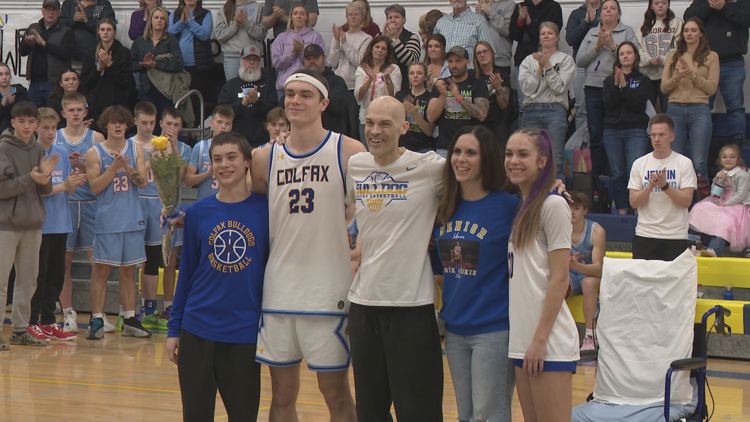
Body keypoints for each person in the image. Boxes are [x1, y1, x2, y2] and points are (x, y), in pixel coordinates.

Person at [251, 69, 364, 421]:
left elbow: (367, 215)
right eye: (290, 94)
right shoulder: (263, 158)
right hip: (279, 289)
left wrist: (358, 252)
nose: (295, 100)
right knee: (282, 395)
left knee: (336, 393)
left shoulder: (348, 151)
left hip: (328, 290)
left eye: (305, 94)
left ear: (324, 103)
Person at [347, 95, 445, 421]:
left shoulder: (429, 166)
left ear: (404, 128)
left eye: (385, 124)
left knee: (418, 412)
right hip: (363, 304)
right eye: (370, 123)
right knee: (370, 412)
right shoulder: (356, 165)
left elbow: (479, 178)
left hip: (411, 306)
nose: (375, 131)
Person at [166, 132, 268, 421]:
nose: (224, 165)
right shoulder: (198, 212)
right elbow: (187, 274)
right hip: (197, 329)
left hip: (244, 333)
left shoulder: (266, 210)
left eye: (231, 157)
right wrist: (174, 330)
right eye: (217, 159)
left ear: (247, 162)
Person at [434, 124, 519, 422]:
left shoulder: (508, 206)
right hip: (455, 328)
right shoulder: (446, 204)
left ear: (487, 159)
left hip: (493, 328)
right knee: (466, 415)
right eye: (457, 151)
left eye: (471, 153)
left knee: (488, 414)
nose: (461, 159)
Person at [505, 128, 578, 422]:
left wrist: (539, 340)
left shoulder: (554, 204)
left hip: (547, 342)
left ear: (542, 161)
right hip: (522, 339)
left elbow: (560, 278)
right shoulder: (522, 207)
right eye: (509, 153)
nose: (513, 160)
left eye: (523, 154)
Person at [83, 105, 150, 340]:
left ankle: (129, 318)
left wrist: (128, 168)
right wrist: (113, 168)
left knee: (129, 271)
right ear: (106, 125)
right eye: (114, 122)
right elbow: (95, 187)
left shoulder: (136, 147)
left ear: (127, 125)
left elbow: (143, 182)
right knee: (100, 270)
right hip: (107, 221)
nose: (118, 126)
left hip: (132, 218)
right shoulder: (94, 152)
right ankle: (97, 318)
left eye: (122, 122)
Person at [0, 101, 55, 349]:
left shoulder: (38, 149)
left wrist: (45, 176)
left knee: (28, 280)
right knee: (1, 282)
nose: (26, 126)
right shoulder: (3, 148)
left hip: (33, 223)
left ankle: (20, 330)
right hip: (6, 224)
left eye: (31, 122)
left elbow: (45, 190)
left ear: (36, 124)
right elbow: (3, 189)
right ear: (13, 122)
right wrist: (29, 178)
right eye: (22, 121)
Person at [29, 107, 85, 341]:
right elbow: (36, 190)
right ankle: (32, 321)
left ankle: (48, 320)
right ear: (36, 128)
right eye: (46, 128)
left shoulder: (61, 152)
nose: (51, 132)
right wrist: (64, 186)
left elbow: (66, 189)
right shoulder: (32, 153)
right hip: (40, 223)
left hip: (61, 221)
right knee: (39, 276)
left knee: (56, 275)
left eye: (53, 128)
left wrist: (72, 184)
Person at [56, 92, 106, 333]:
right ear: (63, 113)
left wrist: (83, 165)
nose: (76, 114)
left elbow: (104, 173)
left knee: (97, 263)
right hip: (64, 205)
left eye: (79, 109)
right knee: (63, 263)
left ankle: (98, 314)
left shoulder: (96, 137)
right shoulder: (55, 138)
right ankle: (68, 313)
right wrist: (68, 165)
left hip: (91, 205)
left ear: (86, 112)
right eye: (71, 110)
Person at [576, 0, 637, 178]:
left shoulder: (627, 32)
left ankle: (616, 177)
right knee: (596, 135)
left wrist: (612, 46)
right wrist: (597, 47)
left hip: (618, 88)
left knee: (615, 134)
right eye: (605, 9)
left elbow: (635, 59)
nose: (608, 11)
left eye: (613, 8)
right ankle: (598, 180)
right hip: (593, 88)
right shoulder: (591, 32)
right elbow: (579, 61)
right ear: (600, 13)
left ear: (619, 14)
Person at [628, 114, 696, 260]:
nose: (657, 139)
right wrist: (650, 186)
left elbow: (686, 201)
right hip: (645, 233)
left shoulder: (684, 163)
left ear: (672, 136)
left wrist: (664, 185)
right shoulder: (639, 164)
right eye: (653, 135)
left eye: (661, 134)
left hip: (675, 235)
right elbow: (633, 202)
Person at [661, 17, 719, 183]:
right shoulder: (673, 55)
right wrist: (678, 77)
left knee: (699, 162)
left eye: (693, 30)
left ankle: (702, 199)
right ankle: (676, 197)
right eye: (686, 30)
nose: (689, 33)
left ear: (701, 34)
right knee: (674, 161)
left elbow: (711, 88)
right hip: (675, 109)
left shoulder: (712, 56)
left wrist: (693, 76)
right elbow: (664, 88)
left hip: (699, 110)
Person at [685, 0, 750, 143]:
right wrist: (709, 5)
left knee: (736, 107)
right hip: (705, 62)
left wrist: (725, 7)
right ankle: (701, 143)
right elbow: (688, 17)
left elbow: (747, 18)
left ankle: (737, 148)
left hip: (733, 61)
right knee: (702, 106)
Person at [603, 41, 654, 214]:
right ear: (618, 58)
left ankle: (637, 209)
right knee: (617, 173)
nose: (625, 56)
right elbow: (608, 105)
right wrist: (616, 86)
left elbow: (638, 106)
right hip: (612, 131)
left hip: (636, 130)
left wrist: (624, 87)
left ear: (635, 56)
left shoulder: (643, 80)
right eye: (622, 53)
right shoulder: (609, 81)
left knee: (635, 170)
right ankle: (622, 211)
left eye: (629, 53)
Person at [519, 22, 575, 180]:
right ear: (539, 37)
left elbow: (559, 88)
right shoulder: (529, 60)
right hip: (531, 110)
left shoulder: (566, 59)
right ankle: (531, 194)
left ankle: (556, 193)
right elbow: (528, 90)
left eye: (550, 33)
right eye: (543, 33)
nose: (546, 36)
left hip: (555, 111)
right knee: (530, 157)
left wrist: (548, 67)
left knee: (555, 158)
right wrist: (539, 68)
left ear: (557, 37)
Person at [155, 107, 193, 325]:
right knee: (147, 260)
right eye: (169, 124)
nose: (172, 128)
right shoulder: (149, 145)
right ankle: (147, 307)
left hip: (173, 208)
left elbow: (182, 177)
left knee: (170, 260)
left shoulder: (186, 149)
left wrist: (175, 148)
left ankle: (169, 306)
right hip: (150, 205)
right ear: (161, 123)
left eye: (176, 125)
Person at [427, 46, 490, 157]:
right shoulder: (441, 84)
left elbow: (482, 114)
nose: (454, 65)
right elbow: (431, 117)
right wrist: (443, 94)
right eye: (450, 61)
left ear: (467, 62)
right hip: (445, 147)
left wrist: (458, 97)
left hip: (471, 146)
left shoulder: (478, 84)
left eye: (458, 61)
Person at [689, 144, 750, 256]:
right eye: (724, 157)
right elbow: (715, 194)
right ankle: (694, 244)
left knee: (726, 221)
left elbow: (741, 194)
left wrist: (725, 204)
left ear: (738, 159)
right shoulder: (721, 173)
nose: (728, 159)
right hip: (721, 201)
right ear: (720, 160)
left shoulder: (743, 174)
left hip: (738, 205)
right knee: (699, 208)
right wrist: (718, 180)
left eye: (732, 157)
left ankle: (714, 249)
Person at [217, 43, 279, 147]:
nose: (251, 62)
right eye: (248, 59)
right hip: (235, 142)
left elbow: (275, 112)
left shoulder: (269, 84)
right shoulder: (230, 85)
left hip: (263, 142)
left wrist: (257, 102)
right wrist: (242, 103)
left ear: (260, 62)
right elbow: (221, 112)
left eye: (255, 59)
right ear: (241, 61)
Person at [567, 191, 605, 352]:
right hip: (569, 274)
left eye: (576, 208)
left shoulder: (596, 231)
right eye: (569, 208)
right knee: (557, 282)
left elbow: (598, 269)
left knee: (588, 283)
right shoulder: (559, 227)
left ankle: (589, 335)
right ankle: (558, 333)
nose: (572, 212)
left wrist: (576, 266)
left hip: (590, 275)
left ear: (585, 210)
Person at [19, 0, 75, 107]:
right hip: (34, 83)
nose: (51, 13)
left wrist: (44, 43)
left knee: (54, 114)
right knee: (33, 115)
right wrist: (27, 44)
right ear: (42, 11)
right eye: (48, 9)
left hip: (54, 84)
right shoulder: (33, 27)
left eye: (54, 10)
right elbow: (22, 52)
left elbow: (66, 54)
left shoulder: (66, 31)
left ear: (59, 13)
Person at [509, 0, 563, 109]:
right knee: (523, 104)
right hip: (523, 62)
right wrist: (521, 19)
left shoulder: (554, 7)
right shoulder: (521, 6)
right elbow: (514, 35)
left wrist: (529, 22)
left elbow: (547, 37)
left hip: (548, 63)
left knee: (548, 103)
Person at [131, 6, 184, 115]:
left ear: (166, 22)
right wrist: (143, 64)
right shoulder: (140, 41)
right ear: (150, 20)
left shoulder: (171, 40)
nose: (159, 20)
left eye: (162, 18)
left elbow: (179, 64)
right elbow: (130, 64)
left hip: (166, 89)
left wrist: (156, 64)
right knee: (148, 119)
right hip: (146, 88)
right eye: (156, 17)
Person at [81, 19, 137, 120]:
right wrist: (98, 69)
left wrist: (110, 64)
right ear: (98, 32)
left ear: (114, 32)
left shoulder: (124, 52)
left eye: (109, 29)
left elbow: (127, 82)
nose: (105, 32)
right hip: (96, 105)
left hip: (117, 104)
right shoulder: (90, 53)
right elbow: (85, 82)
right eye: (102, 29)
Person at [168, 0, 215, 121]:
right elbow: (169, 33)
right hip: (178, 66)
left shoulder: (206, 14)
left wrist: (189, 20)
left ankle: (197, 128)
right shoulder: (174, 13)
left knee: (197, 100)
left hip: (199, 67)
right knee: (180, 101)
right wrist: (181, 21)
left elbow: (204, 34)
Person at [303, 44, 358, 139]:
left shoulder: (337, 81)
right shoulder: (299, 82)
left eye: (315, 58)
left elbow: (337, 106)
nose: (312, 61)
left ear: (323, 58)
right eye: (308, 59)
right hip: (306, 136)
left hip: (332, 136)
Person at [271, 2, 325, 101]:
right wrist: (293, 54)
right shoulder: (281, 38)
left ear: (306, 18)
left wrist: (301, 52)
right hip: (285, 86)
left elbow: (319, 63)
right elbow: (277, 64)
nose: (298, 16)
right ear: (291, 17)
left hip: (309, 84)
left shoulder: (316, 37)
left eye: (302, 14)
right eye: (295, 13)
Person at [354, 35, 402, 143]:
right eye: (377, 47)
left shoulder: (393, 69)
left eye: (383, 48)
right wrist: (370, 79)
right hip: (366, 119)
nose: (380, 50)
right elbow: (359, 97)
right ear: (371, 48)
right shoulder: (362, 68)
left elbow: (395, 97)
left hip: (387, 119)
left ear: (387, 52)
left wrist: (387, 77)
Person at [637, 0, 682, 113]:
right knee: (648, 111)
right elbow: (638, 48)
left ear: (668, 4)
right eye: (657, 3)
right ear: (651, 6)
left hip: (668, 75)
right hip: (647, 75)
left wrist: (663, 59)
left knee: (669, 111)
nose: (660, 5)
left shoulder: (676, 23)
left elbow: (680, 48)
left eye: (663, 2)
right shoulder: (644, 25)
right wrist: (648, 60)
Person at [185, 105, 235, 200]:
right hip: (205, 204)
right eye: (219, 122)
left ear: (232, 126)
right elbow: (188, 180)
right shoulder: (200, 147)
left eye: (227, 123)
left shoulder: (236, 149)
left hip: (229, 204)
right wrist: (207, 173)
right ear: (211, 123)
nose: (223, 126)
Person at [566, 0, 601, 130]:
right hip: (581, 66)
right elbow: (570, 39)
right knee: (581, 107)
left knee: (602, 107)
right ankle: (581, 141)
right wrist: (585, 21)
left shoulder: (607, 10)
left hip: (602, 65)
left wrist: (594, 21)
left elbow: (609, 32)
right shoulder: (576, 14)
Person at [213, 0, 268, 81]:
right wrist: (235, 25)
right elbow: (220, 35)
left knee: (253, 88)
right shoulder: (224, 8)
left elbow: (261, 34)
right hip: (232, 58)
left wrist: (246, 23)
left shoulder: (258, 7)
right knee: (233, 88)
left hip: (252, 57)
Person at [473, 41, 513, 143]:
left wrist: (498, 88)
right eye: (479, 53)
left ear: (491, 53)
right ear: (475, 57)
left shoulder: (502, 75)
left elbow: (504, 105)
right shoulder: (472, 76)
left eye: (485, 51)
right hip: (477, 124)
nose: (482, 55)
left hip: (498, 123)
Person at [329, 1, 373, 92]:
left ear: (362, 17)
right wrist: (337, 41)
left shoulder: (367, 38)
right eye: (350, 14)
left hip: (355, 85)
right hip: (338, 83)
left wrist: (344, 43)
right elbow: (332, 63)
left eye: (356, 14)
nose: (353, 17)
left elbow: (359, 63)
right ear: (347, 17)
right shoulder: (339, 35)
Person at [59, 0, 116, 68]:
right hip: (69, 59)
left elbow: (109, 27)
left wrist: (87, 21)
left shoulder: (103, 4)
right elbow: (60, 24)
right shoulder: (68, 3)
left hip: (96, 59)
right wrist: (73, 20)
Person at [395, 62, 437, 152]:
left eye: (419, 73)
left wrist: (415, 113)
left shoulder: (431, 98)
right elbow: (394, 125)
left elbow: (429, 131)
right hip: (402, 147)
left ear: (425, 77)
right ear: (408, 76)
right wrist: (402, 111)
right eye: (412, 73)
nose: (415, 76)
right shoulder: (400, 95)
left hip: (423, 148)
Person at [382, 4, 421, 91]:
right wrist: (384, 38)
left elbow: (411, 61)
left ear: (404, 20)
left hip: (405, 85)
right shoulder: (381, 37)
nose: (393, 20)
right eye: (390, 17)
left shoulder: (412, 37)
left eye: (396, 17)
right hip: (382, 84)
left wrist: (394, 39)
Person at [476, 0, 516, 78]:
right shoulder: (482, 3)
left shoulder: (510, 4)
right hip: (482, 60)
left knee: (501, 86)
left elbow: (506, 30)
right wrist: (480, 11)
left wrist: (490, 11)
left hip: (500, 60)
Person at [0, 63, 32, 134]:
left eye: (7, 74)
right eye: (0, 74)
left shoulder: (21, 91)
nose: (4, 77)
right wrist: (2, 106)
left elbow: (30, 112)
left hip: (21, 132)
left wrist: (13, 104)